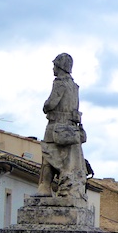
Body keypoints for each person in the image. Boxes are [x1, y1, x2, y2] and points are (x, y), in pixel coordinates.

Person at [35, 53, 87, 199]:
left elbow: (51, 103)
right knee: (68, 160)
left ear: (60, 67)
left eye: (54, 65)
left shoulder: (60, 83)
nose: (53, 69)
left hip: (56, 125)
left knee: (48, 154)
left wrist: (45, 106)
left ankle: (44, 187)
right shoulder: (74, 86)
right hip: (70, 128)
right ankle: (69, 189)